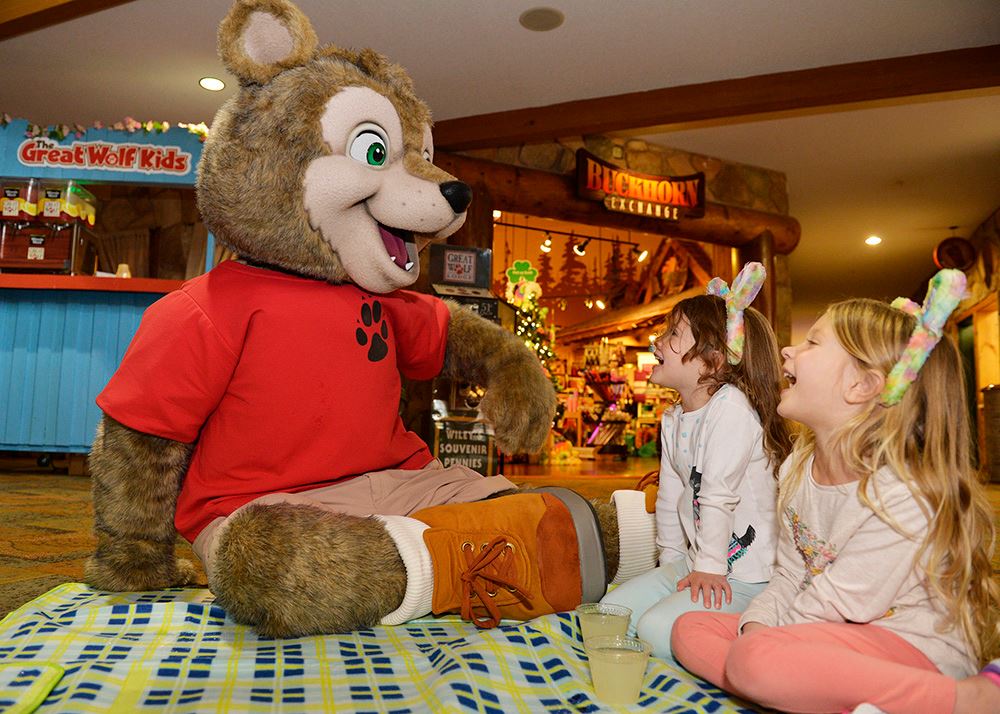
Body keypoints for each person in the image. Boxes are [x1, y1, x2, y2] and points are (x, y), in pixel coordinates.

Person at [671, 269, 1000, 713]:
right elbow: (788, 576)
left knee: (754, 659)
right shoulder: (797, 468)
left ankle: (967, 700)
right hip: (819, 634)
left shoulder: (901, 493)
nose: (789, 349)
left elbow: (838, 604)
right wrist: (755, 628)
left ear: (860, 385)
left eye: (812, 343)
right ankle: (798, 690)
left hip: (908, 651)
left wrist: (763, 647)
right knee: (689, 629)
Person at [600, 262, 792, 660]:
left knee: (654, 629)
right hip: (697, 563)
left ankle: (741, 639)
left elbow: (718, 495)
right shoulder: (674, 418)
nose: (656, 341)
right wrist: (672, 565)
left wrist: (708, 568)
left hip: (744, 574)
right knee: (609, 614)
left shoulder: (732, 411)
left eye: (672, 335)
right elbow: (670, 498)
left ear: (712, 361)